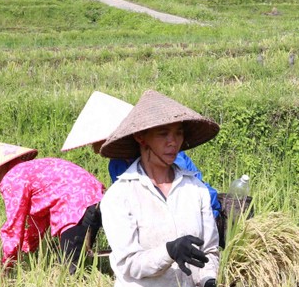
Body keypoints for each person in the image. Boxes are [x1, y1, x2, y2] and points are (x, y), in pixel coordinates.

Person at [98, 90, 231, 287]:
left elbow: (209, 253)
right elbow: (128, 263)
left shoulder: (195, 190)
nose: (174, 142)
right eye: (163, 134)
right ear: (140, 137)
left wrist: (211, 283)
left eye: (179, 133)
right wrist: (169, 252)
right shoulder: (120, 195)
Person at [61, 91, 222, 224]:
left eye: (96, 141)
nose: (94, 148)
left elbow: (199, 195)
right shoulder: (116, 165)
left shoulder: (168, 156)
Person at [0, 140, 104, 270]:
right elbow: (38, 222)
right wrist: (27, 249)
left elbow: (14, 227)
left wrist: (6, 265)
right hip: (98, 199)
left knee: (69, 270)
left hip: (75, 208)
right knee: (81, 257)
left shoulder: (12, 179)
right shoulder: (28, 171)